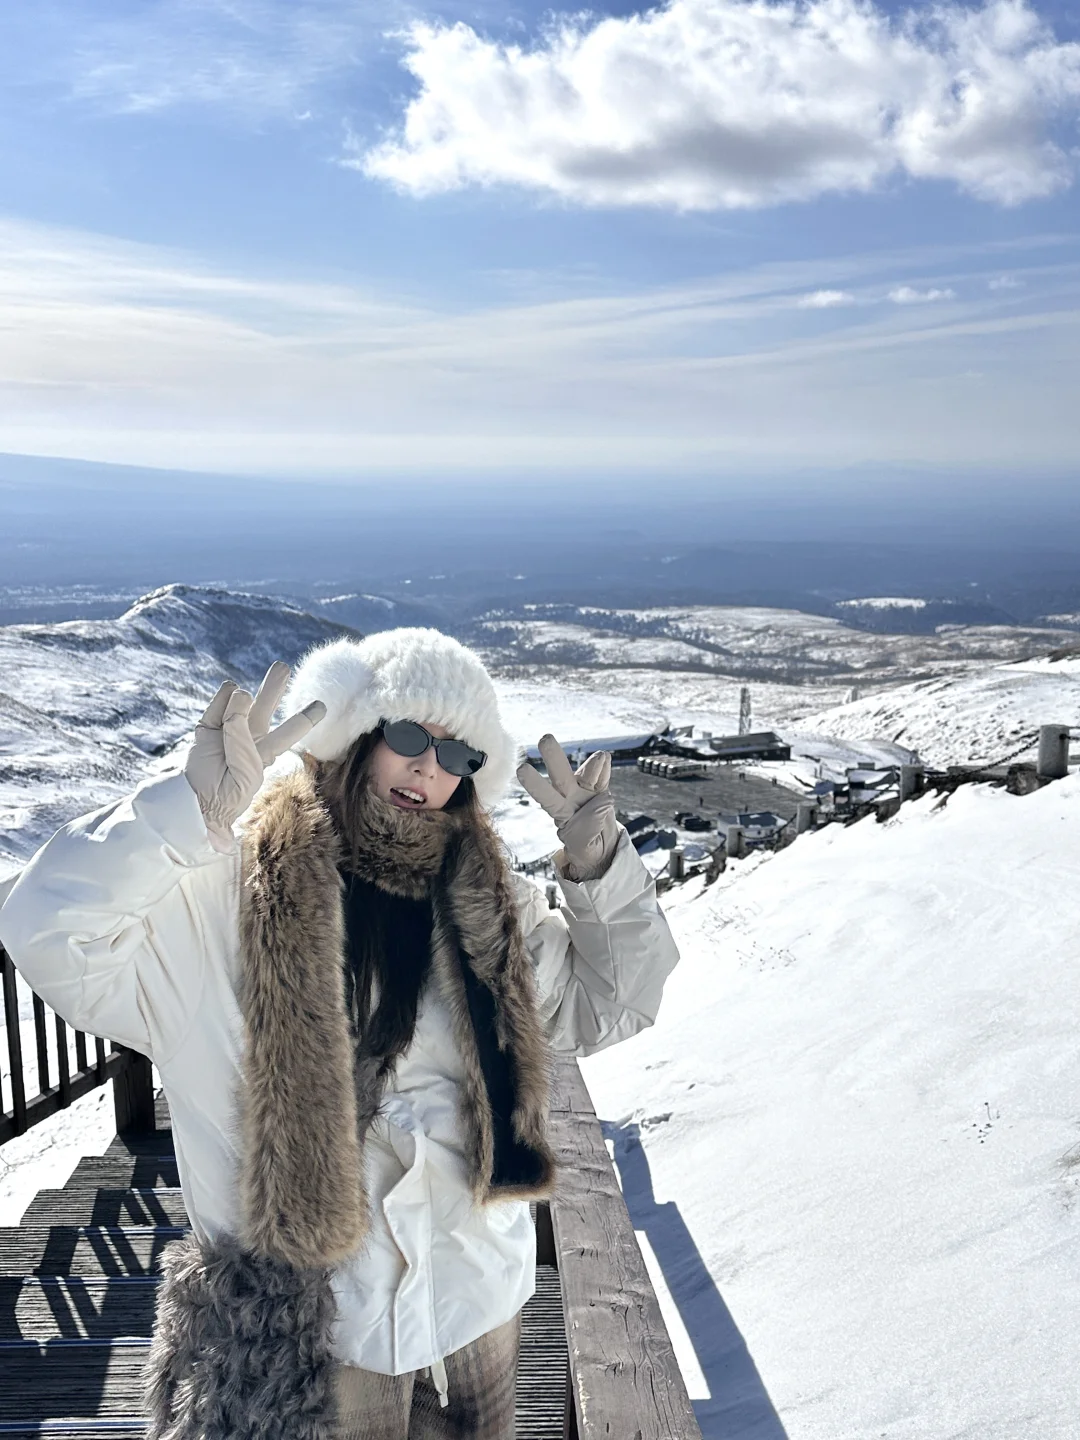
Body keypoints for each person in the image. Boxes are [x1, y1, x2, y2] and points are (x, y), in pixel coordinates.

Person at [0, 628, 680, 1440]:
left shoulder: (493, 909)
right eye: (407, 738)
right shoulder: (222, 894)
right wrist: (183, 814)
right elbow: (46, 928)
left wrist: (600, 864)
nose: (429, 769)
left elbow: (615, 1003)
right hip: (322, 1325)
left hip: (476, 1300)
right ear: (356, 736)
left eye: (458, 756)